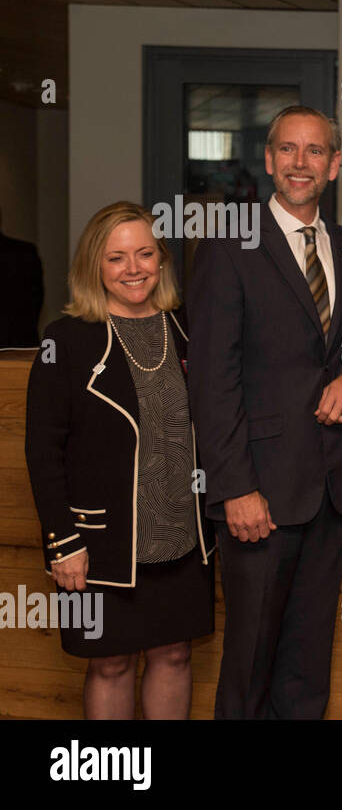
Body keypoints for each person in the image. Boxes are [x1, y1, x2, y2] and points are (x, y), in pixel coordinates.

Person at [188, 105, 342, 719]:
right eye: (289, 150)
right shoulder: (229, 248)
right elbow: (212, 380)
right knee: (250, 660)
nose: (302, 163)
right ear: (269, 160)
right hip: (260, 495)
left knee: (307, 659)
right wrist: (235, 488)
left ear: (336, 163)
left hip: (330, 492)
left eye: (316, 150)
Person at [25, 201, 214, 718]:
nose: (134, 269)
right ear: (94, 266)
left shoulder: (188, 328)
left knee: (174, 654)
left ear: (162, 260)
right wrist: (62, 543)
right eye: (116, 258)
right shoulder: (64, 340)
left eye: (145, 254)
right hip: (100, 541)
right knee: (110, 664)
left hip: (182, 534)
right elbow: (43, 451)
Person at [0, 206, 45, 348]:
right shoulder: (25, 252)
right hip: (23, 342)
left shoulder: (24, 253)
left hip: (19, 341)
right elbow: (37, 298)